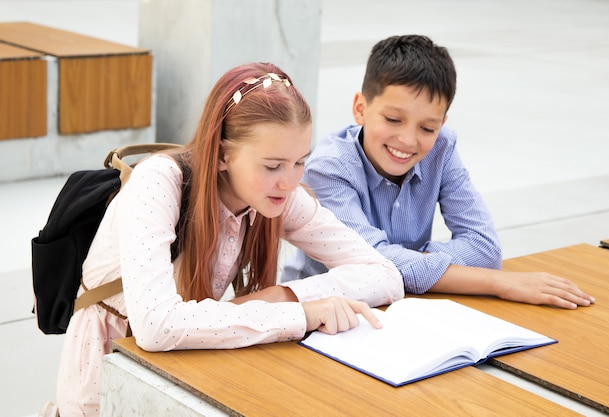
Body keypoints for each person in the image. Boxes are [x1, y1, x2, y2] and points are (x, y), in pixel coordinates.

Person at [53, 62, 403, 417]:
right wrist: (297, 313)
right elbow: (157, 327)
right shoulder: (158, 182)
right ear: (222, 155)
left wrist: (282, 295)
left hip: (189, 364)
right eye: (272, 166)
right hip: (107, 372)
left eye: (300, 162)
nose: (289, 180)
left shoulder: (279, 195)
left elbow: (385, 275)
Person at [283, 34, 594, 310]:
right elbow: (371, 265)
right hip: (320, 311)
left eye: (427, 127)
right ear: (361, 108)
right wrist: (498, 283)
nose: (408, 140)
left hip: (403, 308)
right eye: (393, 119)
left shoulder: (441, 148)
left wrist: (409, 261)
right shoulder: (329, 168)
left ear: (442, 124)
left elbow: (485, 250)